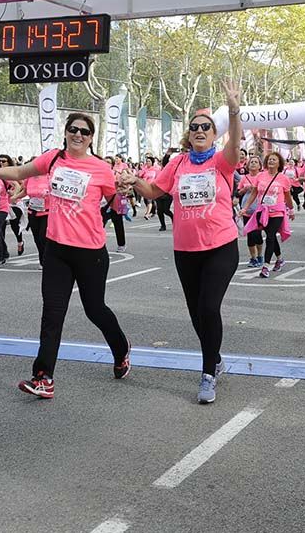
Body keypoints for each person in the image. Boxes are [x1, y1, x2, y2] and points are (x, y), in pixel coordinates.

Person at [0, 113, 131, 399]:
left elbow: (111, 200)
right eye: (73, 130)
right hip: (57, 249)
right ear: (66, 133)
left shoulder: (101, 168)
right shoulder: (53, 159)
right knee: (52, 314)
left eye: (84, 131)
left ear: (91, 138)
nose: (78, 135)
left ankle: (121, 349)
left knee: (95, 310)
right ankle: (43, 377)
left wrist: (123, 191)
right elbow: (20, 172)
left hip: (90, 252)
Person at [120, 82, 241, 403]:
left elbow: (237, 143)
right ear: (188, 135)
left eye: (206, 127)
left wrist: (233, 109)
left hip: (221, 246)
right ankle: (214, 358)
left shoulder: (222, 162)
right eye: (195, 127)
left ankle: (206, 375)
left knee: (208, 306)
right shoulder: (176, 163)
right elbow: (153, 192)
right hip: (186, 250)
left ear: (215, 135)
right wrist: (135, 182)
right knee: (195, 314)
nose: (200, 131)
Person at [241, 152, 294, 278]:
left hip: (277, 211)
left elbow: (288, 196)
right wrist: (245, 208)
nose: (271, 161)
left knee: (270, 236)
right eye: (269, 159)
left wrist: (291, 210)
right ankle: (280, 258)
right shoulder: (261, 176)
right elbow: (254, 193)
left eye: (274, 160)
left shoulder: (283, 178)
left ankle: (265, 266)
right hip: (263, 211)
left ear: (279, 163)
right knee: (271, 237)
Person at [13, 158, 50, 265]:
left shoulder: (49, 177)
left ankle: (47, 260)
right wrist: (15, 197)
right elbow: (25, 191)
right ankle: (42, 259)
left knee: (44, 237)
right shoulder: (30, 178)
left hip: (47, 212)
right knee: (37, 238)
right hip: (32, 212)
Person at [237, 156, 264, 267]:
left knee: (257, 234)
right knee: (250, 234)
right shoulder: (244, 178)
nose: (253, 164)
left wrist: (256, 188)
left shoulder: (262, 177)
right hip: (247, 209)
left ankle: (260, 256)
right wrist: (245, 189)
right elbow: (239, 192)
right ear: (247, 165)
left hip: (259, 209)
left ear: (259, 165)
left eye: (255, 162)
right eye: (251, 162)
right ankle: (252, 257)